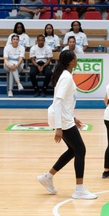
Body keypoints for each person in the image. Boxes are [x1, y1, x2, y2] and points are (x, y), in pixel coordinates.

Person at [38, 50, 96, 199]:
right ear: (71, 61)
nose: (77, 60)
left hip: (64, 117)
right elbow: (58, 102)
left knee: (73, 150)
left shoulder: (65, 76)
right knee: (81, 150)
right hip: (61, 119)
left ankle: (48, 177)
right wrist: (58, 127)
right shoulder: (66, 77)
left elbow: (65, 103)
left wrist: (73, 117)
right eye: (76, 58)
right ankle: (79, 190)